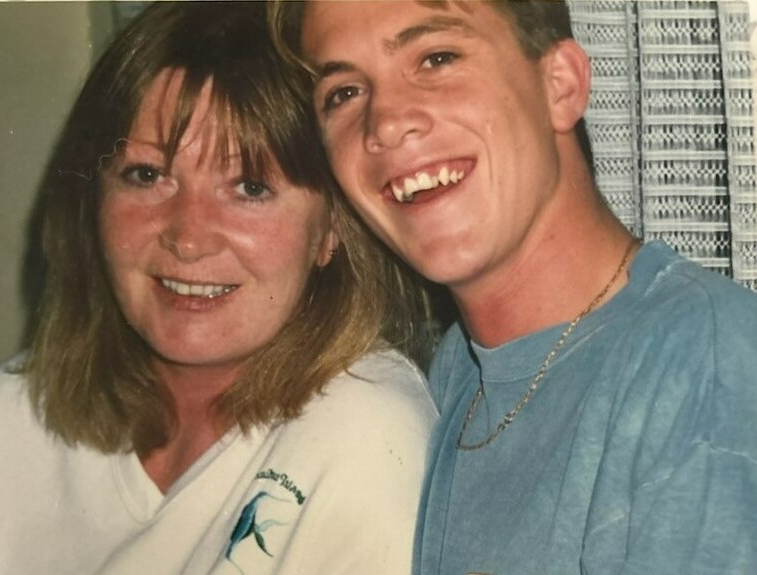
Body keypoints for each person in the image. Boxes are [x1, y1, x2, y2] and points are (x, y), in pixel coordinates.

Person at [0, 3, 439, 574]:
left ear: (331, 229)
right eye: (147, 175)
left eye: (249, 187)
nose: (188, 236)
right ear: (91, 200)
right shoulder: (5, 417)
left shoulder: (367, 433)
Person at [271, 1, 757, 573]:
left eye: (436, 58)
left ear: (561, 86)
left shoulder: (705, 363)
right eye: (344, 93)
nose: (385, 123)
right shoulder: (461, 368)